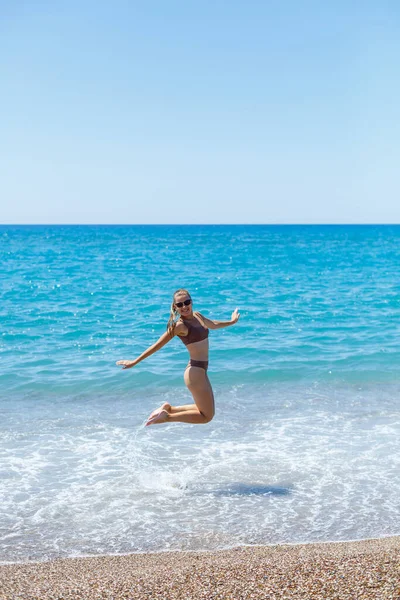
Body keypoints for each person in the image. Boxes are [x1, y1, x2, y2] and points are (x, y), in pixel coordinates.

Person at [116, 288, 240, 426]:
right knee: (206, 416)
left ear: (191, 302)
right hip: (195, 373)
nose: (184, 307)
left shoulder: (198, 316)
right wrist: (135, 361)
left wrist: (232, 321)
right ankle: (167, 417)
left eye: (186, 302)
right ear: (175, 307)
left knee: (206, 411)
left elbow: (213, 324)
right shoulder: (179, 326)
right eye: (179, 305)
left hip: (200, 371)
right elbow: (158, 345)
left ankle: (168, 409)